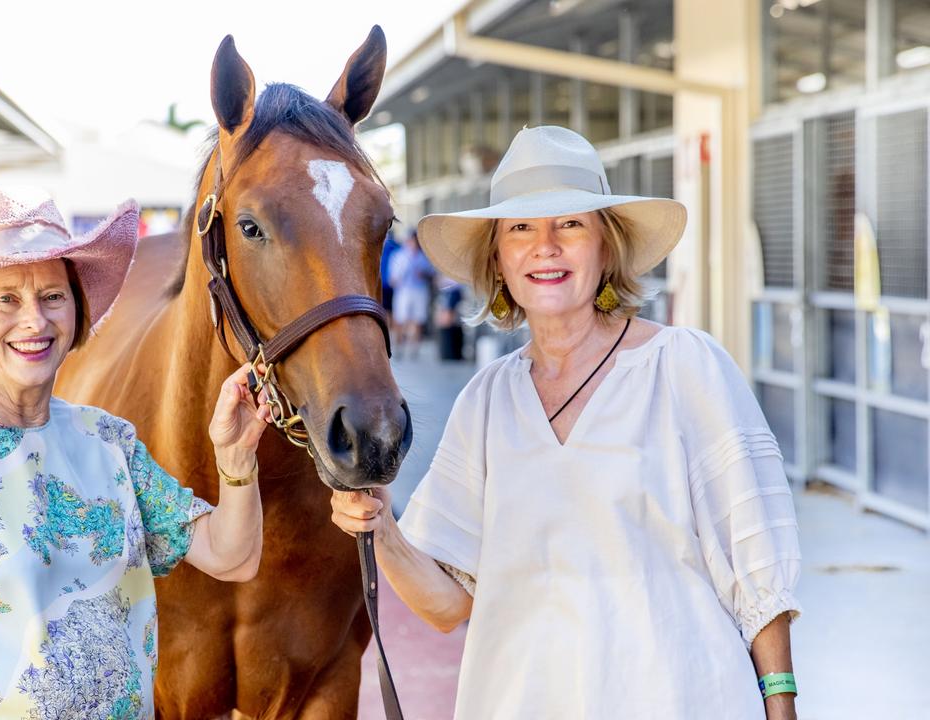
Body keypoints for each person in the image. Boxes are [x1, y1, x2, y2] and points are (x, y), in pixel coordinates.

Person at [330, 126, 802, 719]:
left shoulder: (684, 367)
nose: (545, 246)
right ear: (498, 258)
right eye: (521, 228)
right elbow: (447, 604)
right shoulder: (486, 402)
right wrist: (380, 524)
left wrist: (780, 705)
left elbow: (758, 566)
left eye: (570, 224)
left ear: (606, 246)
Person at [0, 190, 271, 719]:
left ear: (76, 311)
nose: (34, 321)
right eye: (6, 300)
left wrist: (236, 457)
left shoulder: (109, 442)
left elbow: (233, 557)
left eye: (53, 297)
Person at [387, 230, 437, 359]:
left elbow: (432, 275)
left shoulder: (423, 257)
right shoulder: (400, 256)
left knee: (418, 319)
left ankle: (414, 349)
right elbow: (392, 279)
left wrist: (424, 275)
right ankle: (398, 348)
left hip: (419, 290)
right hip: (403, 291)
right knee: (400, 319)